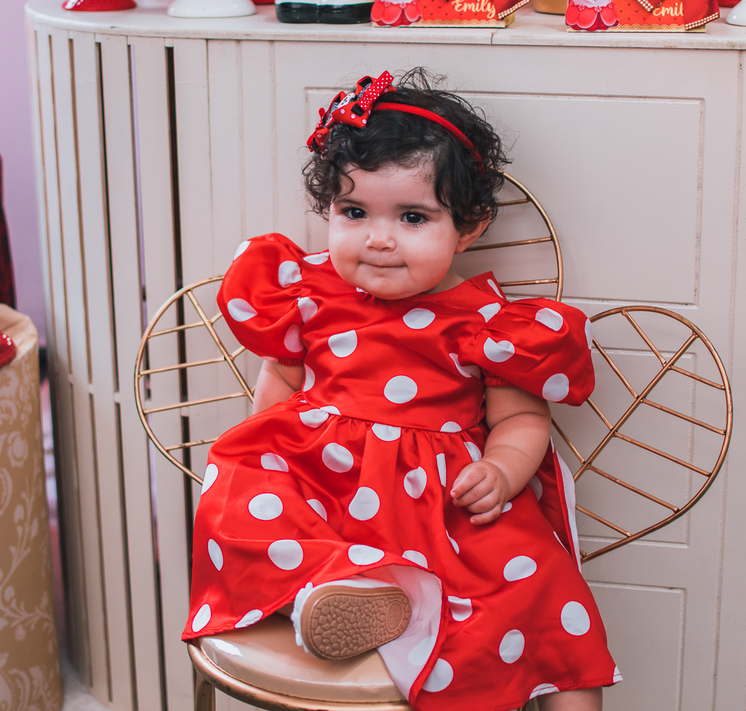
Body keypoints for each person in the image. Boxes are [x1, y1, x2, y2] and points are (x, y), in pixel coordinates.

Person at [185, 69, 619, 711]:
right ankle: (330, 596)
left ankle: (559, 689)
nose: (379, 238)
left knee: (543, 582)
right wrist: (261, 467)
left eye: (413, 217)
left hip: (438, 501)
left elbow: (523, 420)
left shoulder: (487, 323)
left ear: (469, 228)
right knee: (231, 505)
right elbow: (279, 380)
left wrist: (501, 471)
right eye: (353, 213)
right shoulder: (309, 297)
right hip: (322, 480)